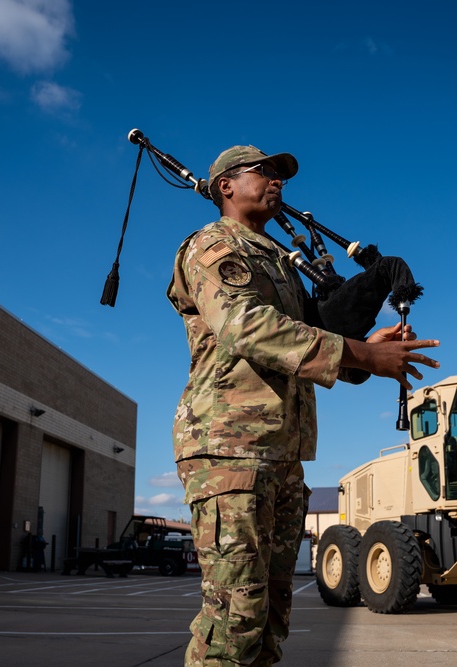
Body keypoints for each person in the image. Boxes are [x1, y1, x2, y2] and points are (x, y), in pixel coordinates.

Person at [166, 144, 439, 666]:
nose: (276, 181)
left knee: (270, 616)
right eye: (263, 171)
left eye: (280, 175)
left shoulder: (279, 264)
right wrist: (363, 355)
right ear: (225, 185)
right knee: (234, 618)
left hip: (281, 455)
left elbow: (310, 336)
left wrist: (368, 352)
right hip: (229, 452)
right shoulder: (214, 246)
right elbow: (246, 327)